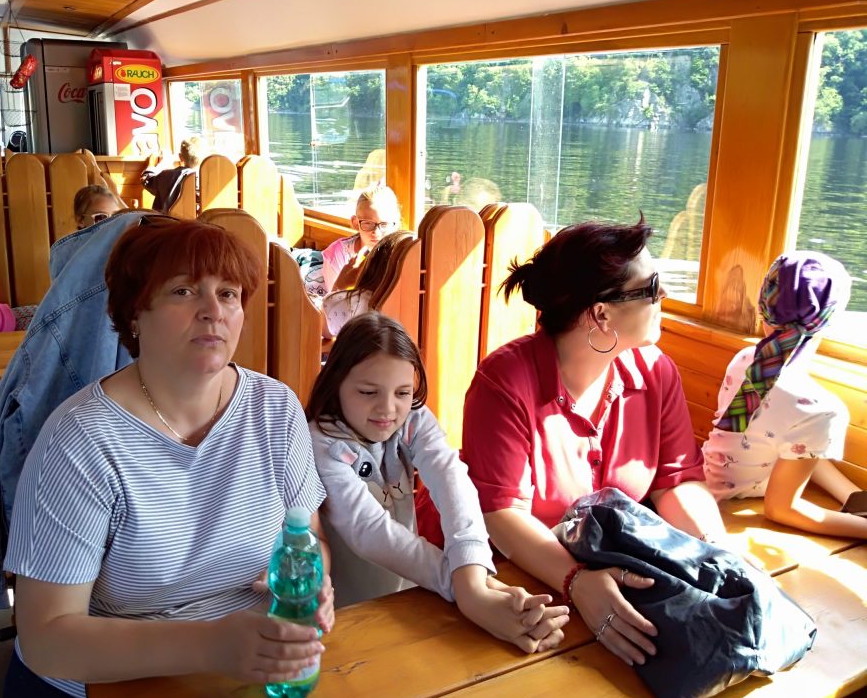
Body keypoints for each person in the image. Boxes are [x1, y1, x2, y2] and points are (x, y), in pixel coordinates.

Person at [2, 218, 334, 698]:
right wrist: (210, 646)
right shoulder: (81, 441)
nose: (213, 311)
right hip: (104, 690)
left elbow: (311, 538)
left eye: (228, 294)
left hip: (252, 671)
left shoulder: (275, 409)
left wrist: (314, 582)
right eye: (183, 291)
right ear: (135, 313)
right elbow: (46, 639)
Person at [420, 218, 726, 668]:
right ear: (601, 314)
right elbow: (501, 514)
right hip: (487, 573)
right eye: (651, 287)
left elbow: (675, 481)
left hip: (600, 569)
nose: (663, 295)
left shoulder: (655, 371)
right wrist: (577, 582)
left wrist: (716, 554)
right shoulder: (505, 381)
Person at [307, 311, 569, 654]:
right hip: (345, 617)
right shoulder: (321, 443)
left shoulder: (412, 419)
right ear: (336, 382)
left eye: (403, 392)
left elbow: (452, 481)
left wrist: (471, 575)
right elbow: (370, 531)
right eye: (368, 392)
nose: (388, 409)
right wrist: (468, 588)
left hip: (413, 597)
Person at [703, 251, 867, 538]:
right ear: (830, 320)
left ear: (762, 306)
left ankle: (856, 497)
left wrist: (854, 496)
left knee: (798, 443)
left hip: (702, 480)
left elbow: (795, 447)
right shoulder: (822, 409)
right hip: (724, 508)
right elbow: (781, 510)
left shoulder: (746, 360)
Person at [320, 231, 412, 337]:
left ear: (371, 264)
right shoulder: (423, 307)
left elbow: (324, 330)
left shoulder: (354, 303)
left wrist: (339, 285)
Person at [321, 185, 402, 292]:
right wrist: (342, 283)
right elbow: (332, 300)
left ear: (395, 224)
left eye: (384, 224)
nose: (376, 232)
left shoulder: (401, 255)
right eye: (368, 223)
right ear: (355, 223)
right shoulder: (338, 253)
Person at [141, 136, 203, 213]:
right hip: (196, 220)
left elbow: (146, 180)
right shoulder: (207, 179)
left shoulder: (167, 176)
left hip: (168, 220)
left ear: (180, 157)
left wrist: (161, 164)